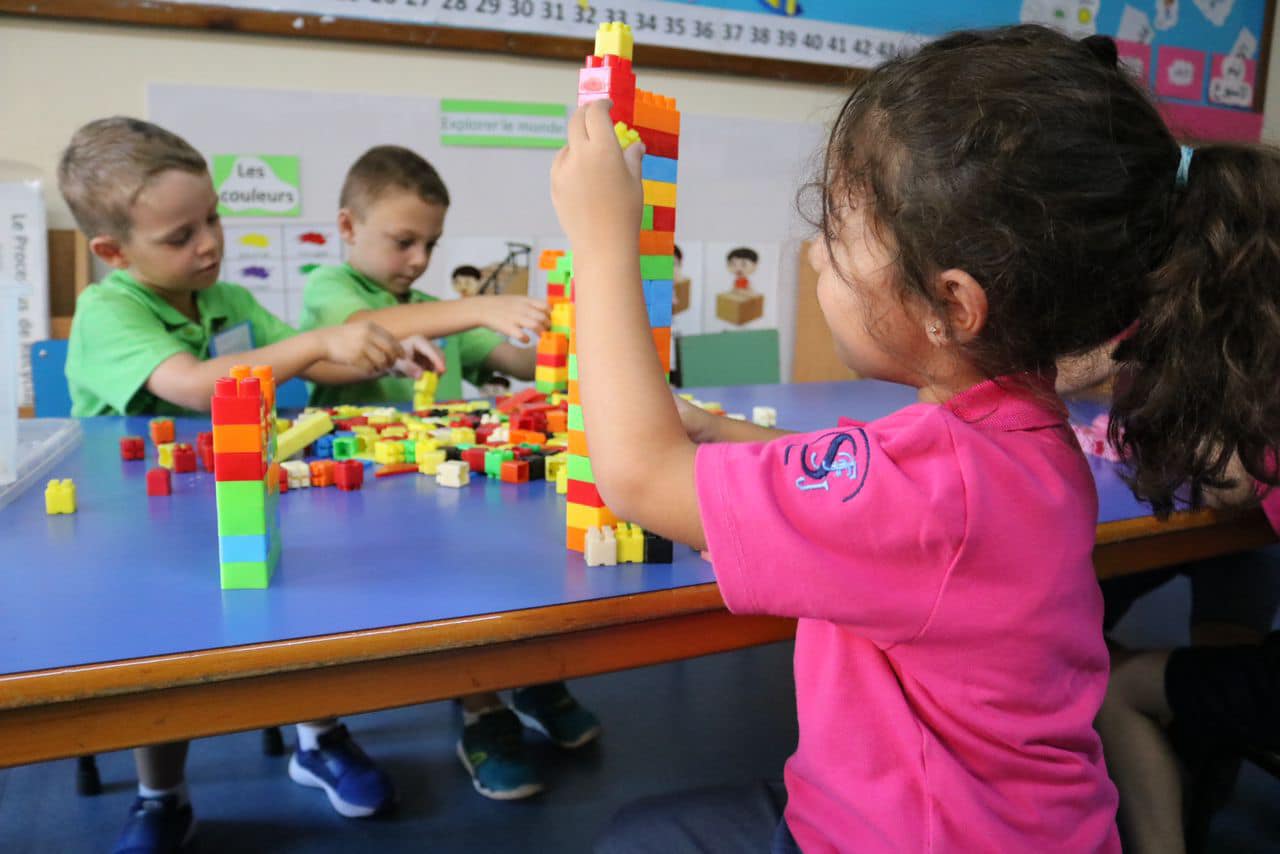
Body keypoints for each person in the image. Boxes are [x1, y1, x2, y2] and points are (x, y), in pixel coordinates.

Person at [552, 24, 1280, 853]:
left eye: (840, 230)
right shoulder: (1025, 435)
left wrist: (602, 243)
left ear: (953, 306)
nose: (815, 255)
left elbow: (641, 478)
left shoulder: (932, 487)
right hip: (1031, 828)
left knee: (633, 839)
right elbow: (901, 502)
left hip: (913, 839)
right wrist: (724, 436)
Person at [59, 117, 414, 853]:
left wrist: (375, 352)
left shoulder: (227, 301)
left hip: (239, 491)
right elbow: (192, 386)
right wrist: (319, 340)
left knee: (294, 602)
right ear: (112, 251)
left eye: (214, 217)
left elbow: (305, 365)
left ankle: (317, 739)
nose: (210, 243)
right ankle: (163, 796)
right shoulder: (109, 310)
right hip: (142, 523)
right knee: (160, 660)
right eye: (180, 235)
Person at [301, 144, 602, 801]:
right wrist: (478, 306)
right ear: (348, 227)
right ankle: (482, 710)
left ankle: (526, 679)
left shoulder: (436, 305)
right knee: (458, 597)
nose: (418, 260)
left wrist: (562, 330)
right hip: (365, 505)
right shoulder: (334, 290)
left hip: (454, 490)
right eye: (403, 241)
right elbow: (361, 328)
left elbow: (518, 363)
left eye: (430, 244)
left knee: (506, 574)